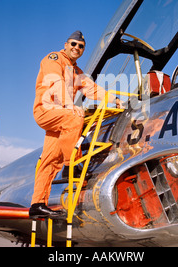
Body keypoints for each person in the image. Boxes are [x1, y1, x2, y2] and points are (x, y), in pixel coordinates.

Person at [29, 31, 120, 219]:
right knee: (75, 117)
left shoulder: (77, 72)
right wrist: (70, 105)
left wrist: (115, 99)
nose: (76, 48)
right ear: (65, 44)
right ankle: (72, 165)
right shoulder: (53, 58)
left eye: (80, 46)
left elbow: (92, 89)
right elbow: (55, 82)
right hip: (47, 110)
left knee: (50, 159)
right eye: (73, 44)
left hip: (60, 117)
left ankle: (37, 205)